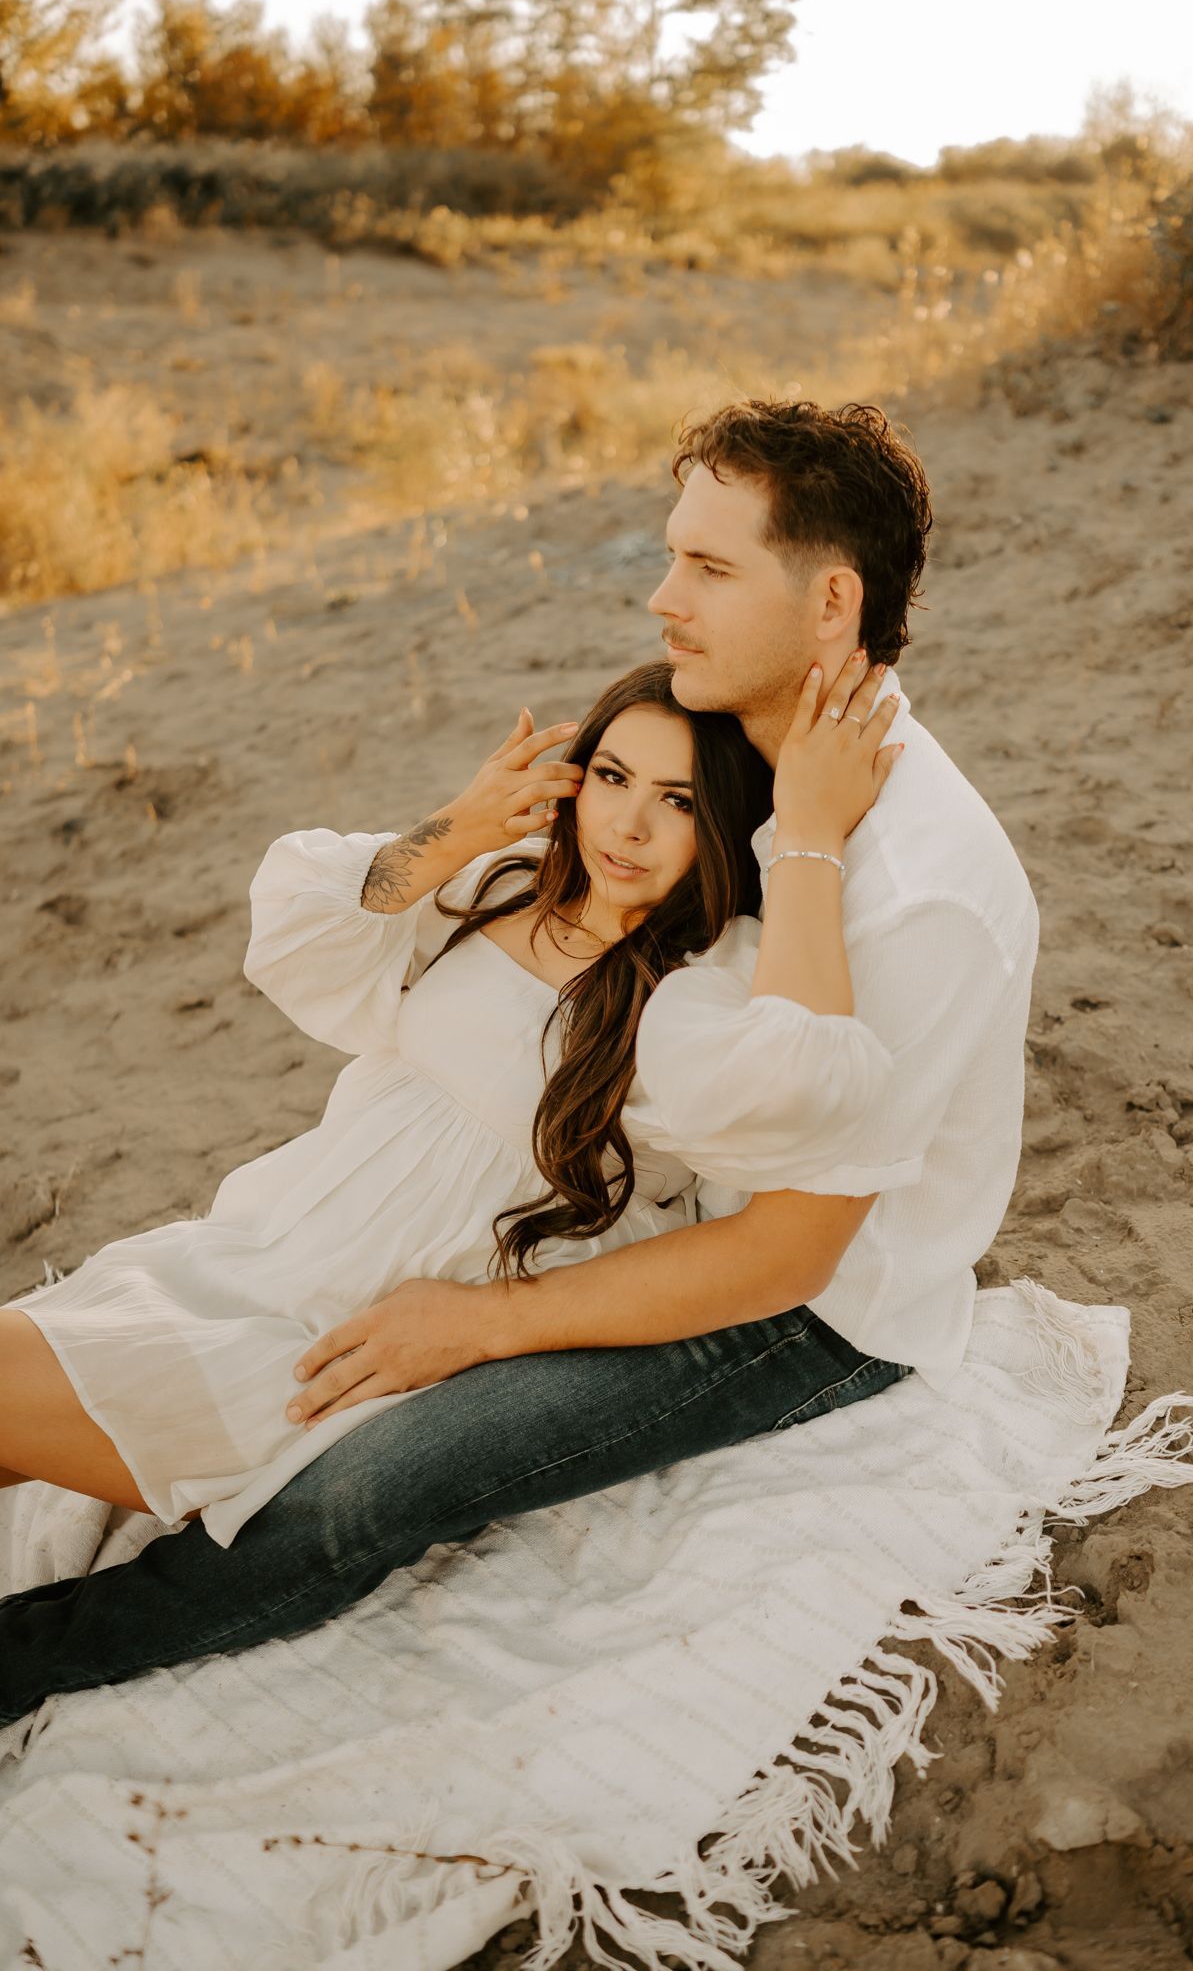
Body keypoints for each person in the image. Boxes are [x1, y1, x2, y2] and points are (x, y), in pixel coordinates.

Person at [0, 398, 1039, 1725]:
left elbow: (789, 1254)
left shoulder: (914, 887)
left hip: (812, 1305)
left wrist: (483, 1327)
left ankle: (32, 1659)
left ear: (829, 604)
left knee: (373, 1476)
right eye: (671, 556)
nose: (661, 599)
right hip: (640, 1200)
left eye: (708, 569)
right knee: (277, 1361)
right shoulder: (724, 746)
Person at [0, 658, 900, 1543]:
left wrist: (807, 838)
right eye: (612, 778)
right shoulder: (505, 882)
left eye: (678, 801)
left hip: (342, 1338)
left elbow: (801, 1073)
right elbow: (310, 931)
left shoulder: (705, 983)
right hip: (255, 1255)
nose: (627, 825)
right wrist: (462, 827)